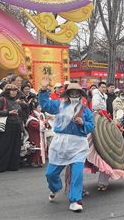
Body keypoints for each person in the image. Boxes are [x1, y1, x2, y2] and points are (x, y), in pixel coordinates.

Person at [38, 76, 95, 212]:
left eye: (77, 93)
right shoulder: (59, 105)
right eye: (72, 93)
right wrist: (44, 89)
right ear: (68, 94)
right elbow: (46, 105)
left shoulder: (85, 110)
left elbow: (91, 126)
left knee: (78, 174)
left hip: (78, 144)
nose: (74, 95)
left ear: (81, 95)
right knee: (51, 174)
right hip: (60, 143)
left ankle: (76, 200)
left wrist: (83, 124)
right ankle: (55, 187)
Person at [0, 84, 23, 174]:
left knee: (15, 146)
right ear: (7, 91)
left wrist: (21, 127)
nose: (14, 92)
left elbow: (20, 116)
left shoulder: (16, 102)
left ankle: (12, 165)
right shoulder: (1, 100)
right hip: (6, 125)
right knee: (4, 146)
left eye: (15, 90)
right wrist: (9, 112)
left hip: (16, 125)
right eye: (11, 90)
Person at [26, 102, 50, 167]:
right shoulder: (32, 117)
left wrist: (45, 123)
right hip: (34, 135)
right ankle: (34, 161)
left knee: (42, 146)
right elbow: (33, 125)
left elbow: (43, 124)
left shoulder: (41, 115)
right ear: (35, 108)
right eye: (39, 107)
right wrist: (43, 123)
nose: (40, 108)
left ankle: (40, 161)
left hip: (40, 134)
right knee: (36, 146)